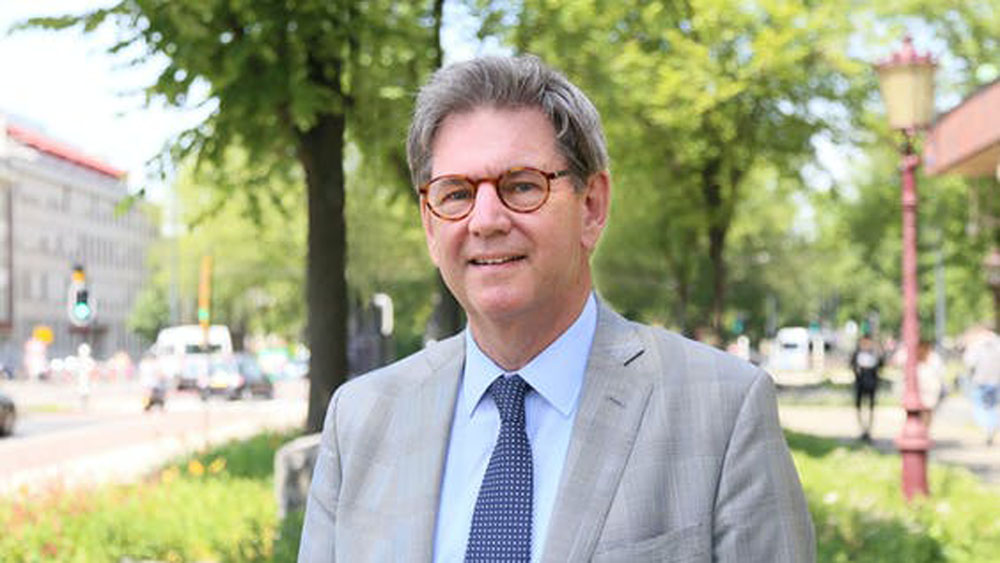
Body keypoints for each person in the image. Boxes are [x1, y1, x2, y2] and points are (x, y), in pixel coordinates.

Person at [299, 55, 814, 562]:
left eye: (522, 186)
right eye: (456, 194)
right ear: (430, 225)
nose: (486, 220)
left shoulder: (722, 410)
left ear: (592, 206)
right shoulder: (361, 419)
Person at [964, 330, 1000, 445]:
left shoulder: (977, 345)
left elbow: (969, 363)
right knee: (992, 406)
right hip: (995, 381)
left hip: (980, 381)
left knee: (980, 406)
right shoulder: (997, 344)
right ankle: (992, 426)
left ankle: (987, 428)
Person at [850, 334, 883, 442]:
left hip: (871, 382)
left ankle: (868, 429)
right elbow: (852, 365)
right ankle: (862, 429)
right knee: (859, 406)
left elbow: (881, 365)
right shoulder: (857, 354)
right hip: (860, 383)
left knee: (870, 407)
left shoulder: (875, 354)